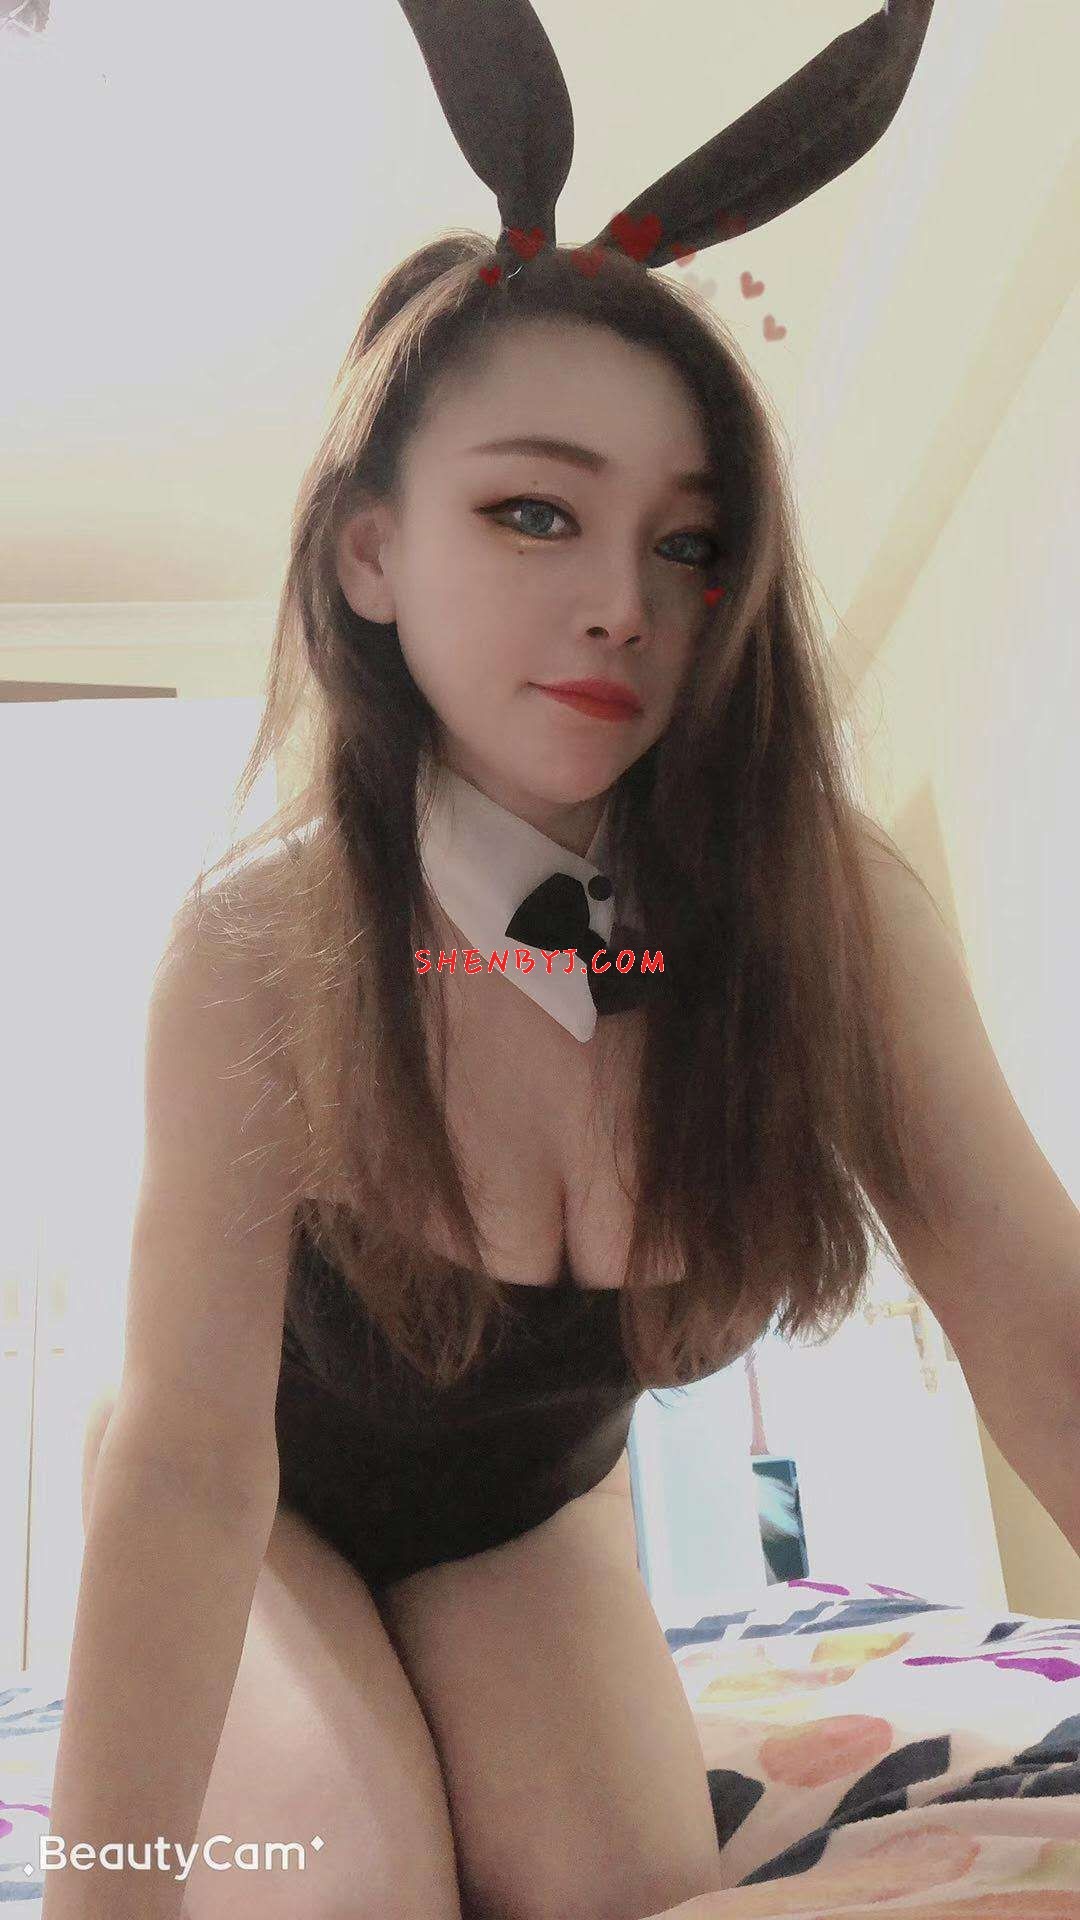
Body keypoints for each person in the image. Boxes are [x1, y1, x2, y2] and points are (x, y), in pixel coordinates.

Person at [52, 7, 1007, 1919]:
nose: (619, 602)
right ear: (368, 555)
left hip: (529, 1519)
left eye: (691, 543)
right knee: (351, 1894)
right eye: (533, 511)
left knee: (619, 1893)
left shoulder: (827, 911)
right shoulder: (252, 949)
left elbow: (1042, 1313)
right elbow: (182, 1470)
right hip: (261, 1515)